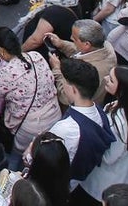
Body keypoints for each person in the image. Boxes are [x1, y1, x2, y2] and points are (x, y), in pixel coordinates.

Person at [73, 67, 128, 206]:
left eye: (111, 80)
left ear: (123, 90)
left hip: (104, 182)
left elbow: (108, 157)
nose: (106, 79)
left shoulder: (120, 125)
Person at [0, 28, 61, 165]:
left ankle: (8, 179)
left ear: (2, 51)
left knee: (15, 158)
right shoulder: (36, 56)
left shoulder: (6, 74)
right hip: (54, 116)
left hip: (30, 127)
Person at [46, 59, 114, 190]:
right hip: (79, 178)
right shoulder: (100, 113)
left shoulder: (66, 128)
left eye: (65, 82)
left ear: (73, 89)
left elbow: (47, 157)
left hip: (59, 182)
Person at [45, 20, 118, 104]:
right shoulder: (104, 46)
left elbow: (66, 98)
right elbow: (83, 52)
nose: (71, 38)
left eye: (75, 39)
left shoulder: (89, 71)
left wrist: (57, 69)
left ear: (87, 44)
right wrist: (62, 44)